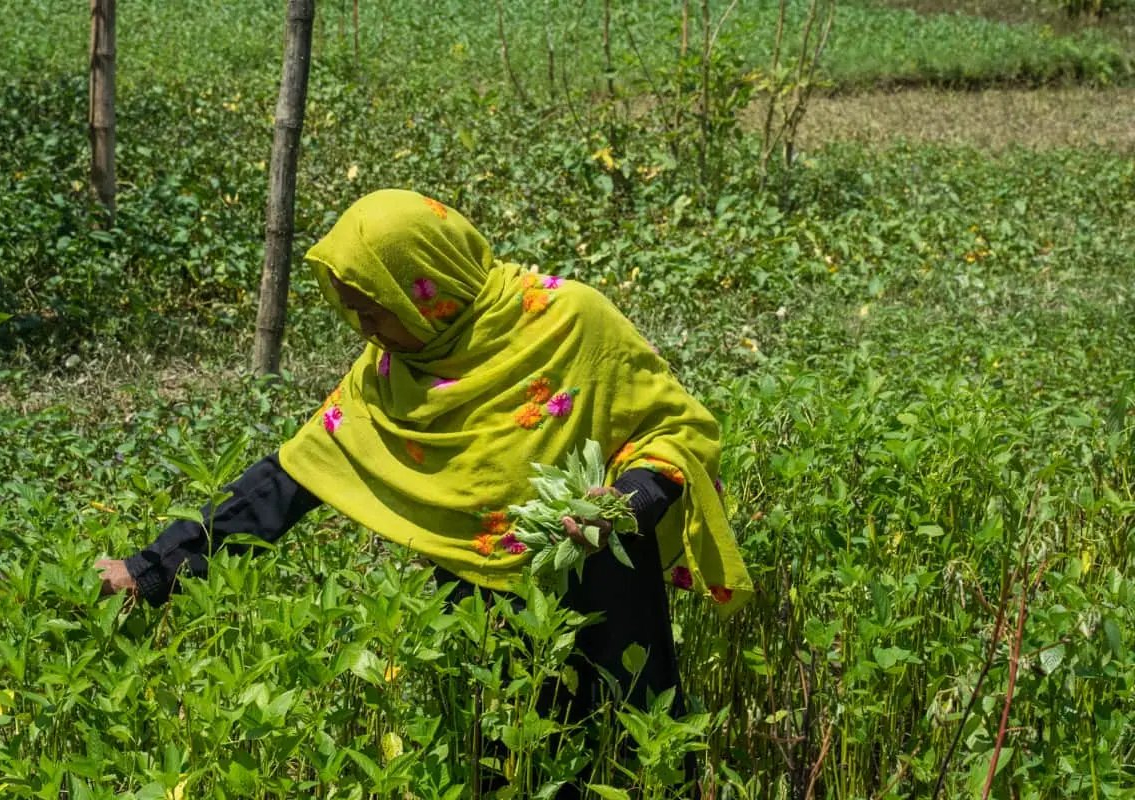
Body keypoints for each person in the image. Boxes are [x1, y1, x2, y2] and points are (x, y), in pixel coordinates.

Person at [95, 188, 752, 794]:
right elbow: (290, 478)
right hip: (482, 614)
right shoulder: (392, 372)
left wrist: (626, 502)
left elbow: (675, 431)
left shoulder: (570, 321)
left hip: (604, 588)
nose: (367, 331)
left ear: (427, 290)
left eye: (377, 312)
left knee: (636, 758)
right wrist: (152, 569)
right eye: (356, 314)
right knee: (503, 768)